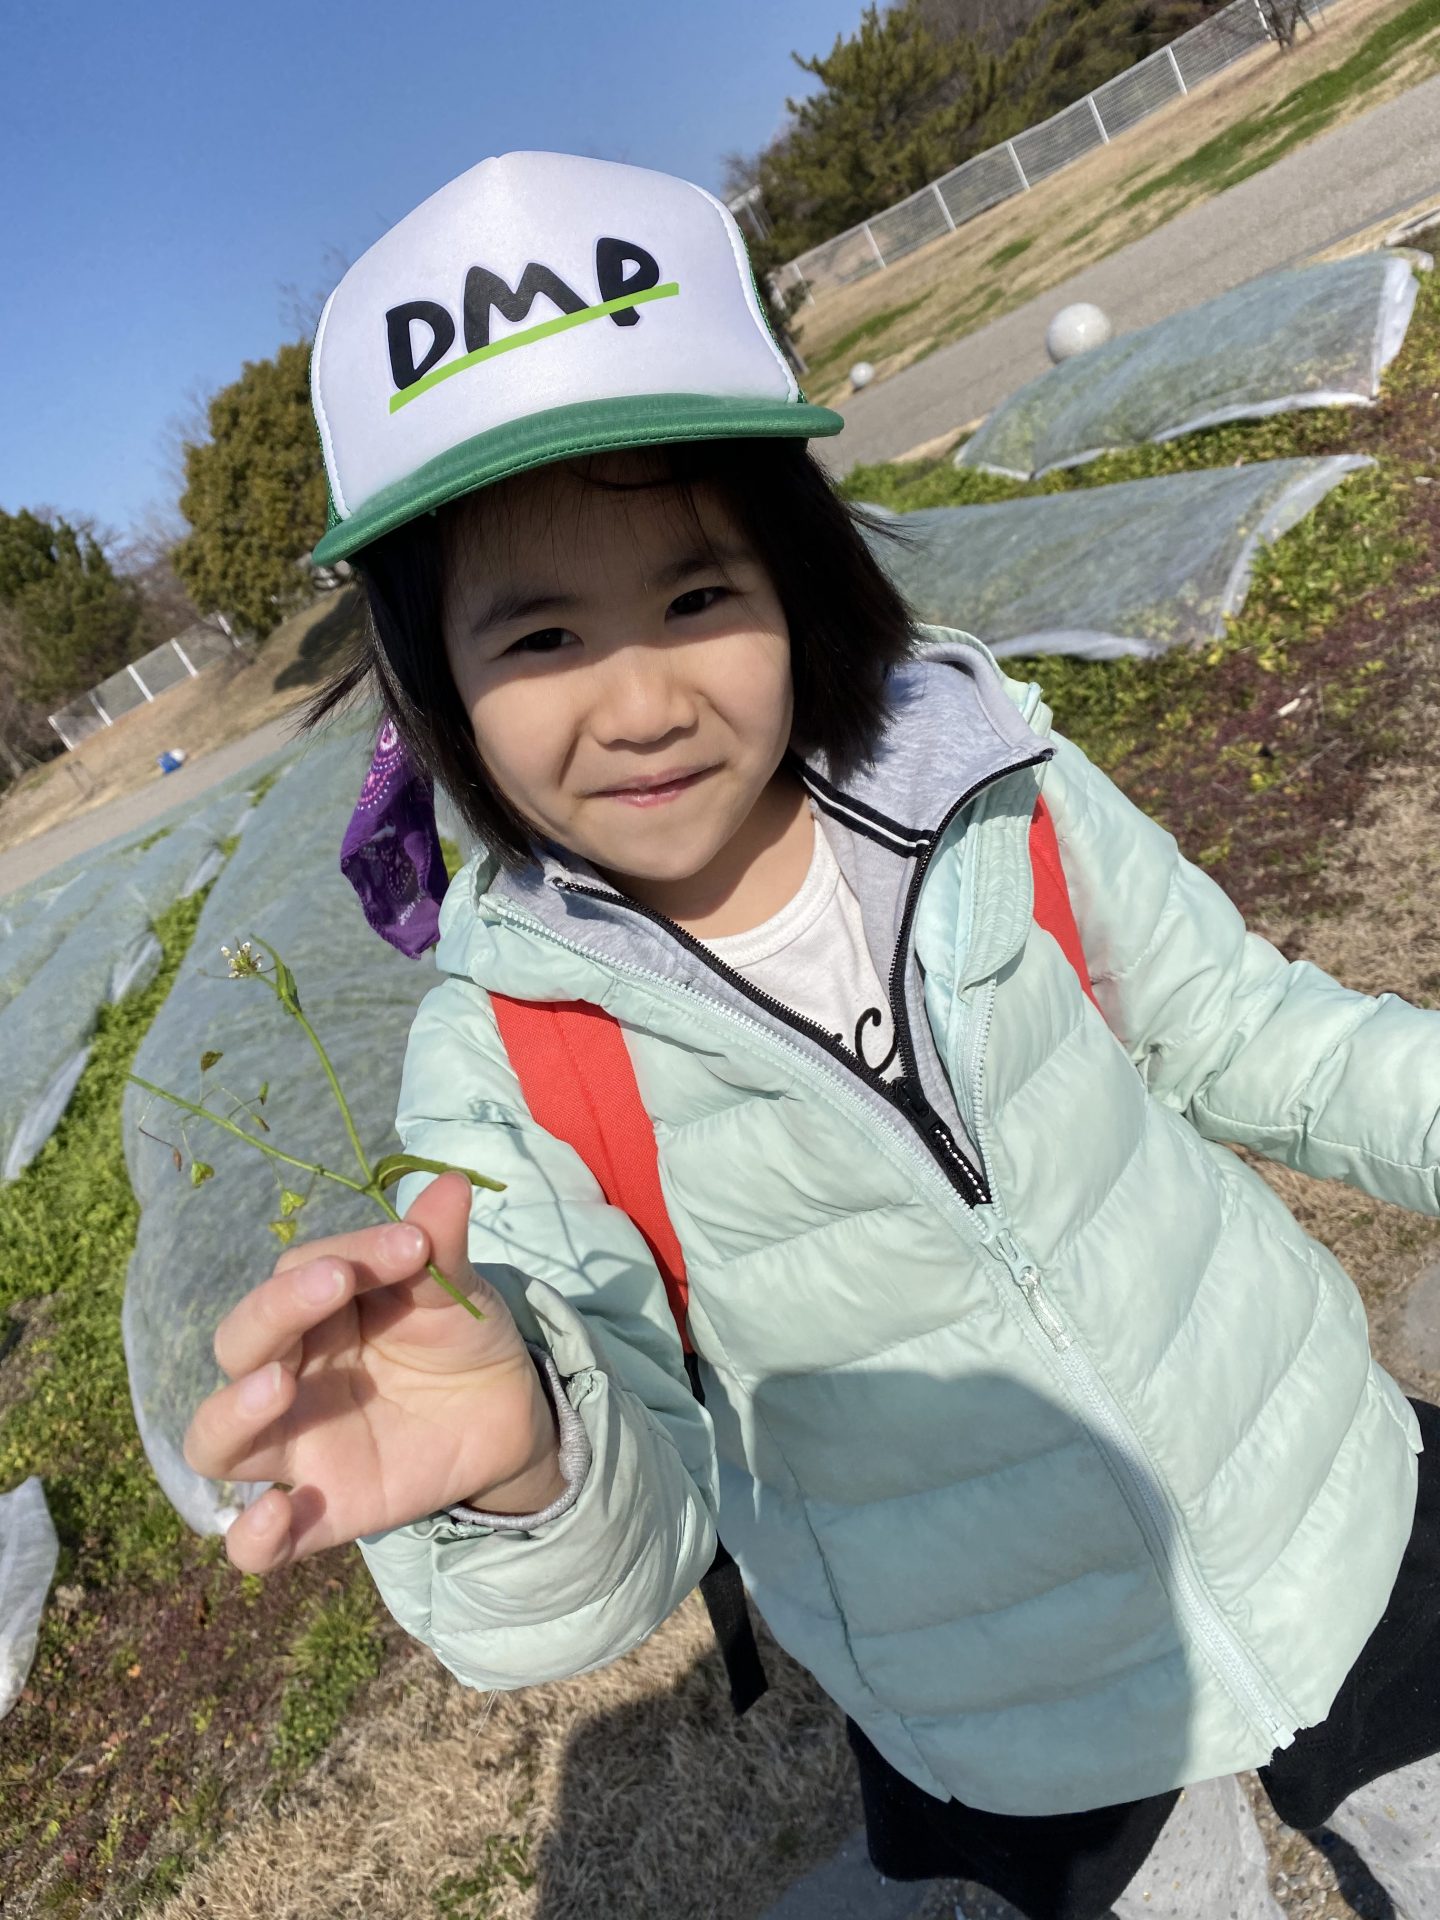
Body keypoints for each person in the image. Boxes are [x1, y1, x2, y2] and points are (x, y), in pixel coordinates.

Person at [181, 150, 1440, 1920]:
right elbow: (626, 1528)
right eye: (539, 635)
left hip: (1327, 1505)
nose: (642, 701)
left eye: (698, 596)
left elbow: (1254, 1037)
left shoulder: (990, 785)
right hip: (1003, 1711)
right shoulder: (506, 1065)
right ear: (430, 685)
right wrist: (531, 1469)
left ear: (798, 571)